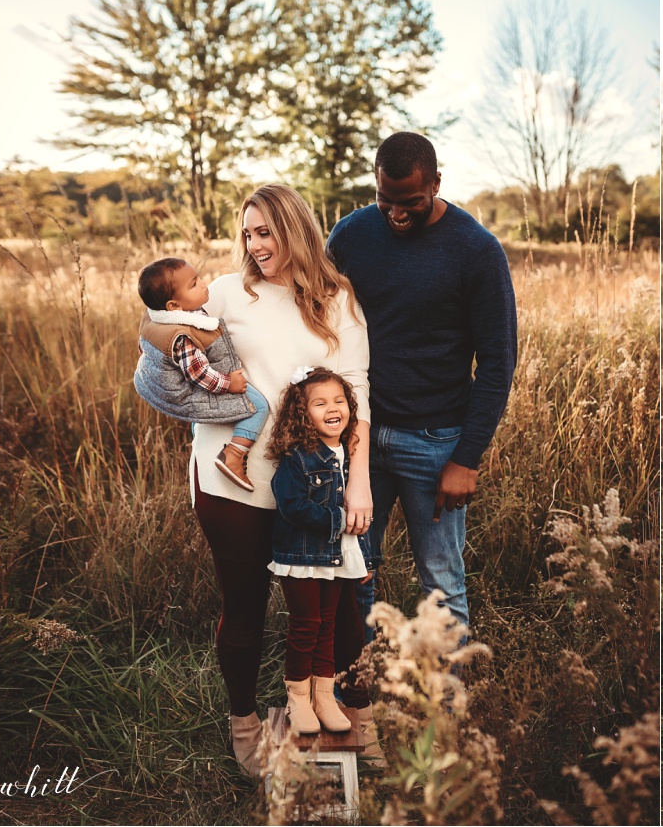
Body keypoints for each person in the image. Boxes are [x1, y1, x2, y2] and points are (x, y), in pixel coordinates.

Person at [188, 183, 374, 777]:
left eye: (265, 231)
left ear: (296, 230)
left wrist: (359, 480)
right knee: (243, 606)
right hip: (234, 482)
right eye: (247, 232)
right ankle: (244, 721)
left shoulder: (336, 298)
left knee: (337, 610)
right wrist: (196, 396)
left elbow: (357, 393)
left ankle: (345, 711)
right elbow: (165, 348)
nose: (254, 244)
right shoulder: (224, 294)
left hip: (319, 486)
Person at [328, 131, 518, 636]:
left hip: (436, 444)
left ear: (436, 182)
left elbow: (498, 362)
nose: (395, 213)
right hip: (360, 436)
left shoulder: (476, 250)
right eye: (384, 199)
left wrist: (467, 457)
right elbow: (318, 322)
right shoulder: (348, 236)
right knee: (352, 572)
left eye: (410, 201)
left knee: (441, 584)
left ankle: (444, 709)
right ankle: (357, 697)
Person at [264, 367, 371, 736]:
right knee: (306, 626)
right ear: (302, 413)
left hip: (337, 557)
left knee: (328, 627)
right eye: (321, 402)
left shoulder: (348, 452)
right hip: (301, 558)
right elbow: (290, 504)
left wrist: (364, 558)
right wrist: (336, 520)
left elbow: (358, 514)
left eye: (339, 401)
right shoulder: (298, 457)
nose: (333, 408)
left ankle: (324, 698)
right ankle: (298, 699)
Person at [131, 256, 271, 489]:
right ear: (174, 306)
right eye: (194, 284)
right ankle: (234, 455)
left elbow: (143, 346)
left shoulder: (155, 317)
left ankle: (201, 436)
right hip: (188, 390)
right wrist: (228, 384)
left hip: (172, 385)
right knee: (258, 407)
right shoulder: (182, 337)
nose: (205, 283)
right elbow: (199, 375)